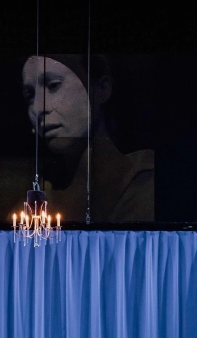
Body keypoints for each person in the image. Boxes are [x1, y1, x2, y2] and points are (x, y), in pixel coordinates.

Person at [20, 54, 154, 222]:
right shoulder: (39, 192)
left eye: (54, 85)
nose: (38, 108)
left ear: (101, 89)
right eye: (30, 95)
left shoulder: (143, 183)